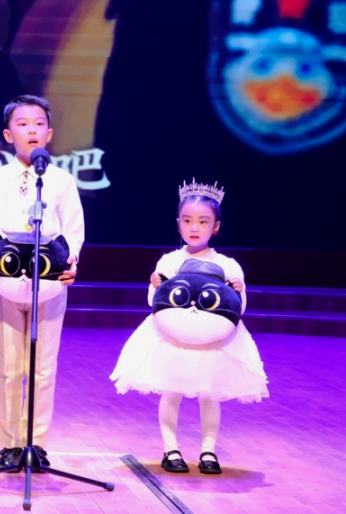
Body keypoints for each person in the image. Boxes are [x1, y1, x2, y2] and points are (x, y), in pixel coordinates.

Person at [110, 180, 268, 474]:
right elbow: (155, 303)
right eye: (187, 220)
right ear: (178, 224)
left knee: (209, 395)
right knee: (172, 391)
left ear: (215, 226)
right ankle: (171, 450)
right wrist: (155, 285)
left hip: (212, 343)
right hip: (174, 340)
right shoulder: (170, 261)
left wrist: (239, 290)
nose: (194, 227)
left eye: (203, 221)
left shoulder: (227, 265)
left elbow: (238, 309)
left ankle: (208, 451)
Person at [0, 95, 83, 470]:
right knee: (8, 367)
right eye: (22, 124)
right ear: (8, 135)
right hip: (5, 283)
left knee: (43, 368)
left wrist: (72, 260)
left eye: (38, 124)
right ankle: (9, 444)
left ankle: (36, 443)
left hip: (48, 282)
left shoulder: (62, 181)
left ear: (49, 134)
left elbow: (73, 229)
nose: (31, 130)